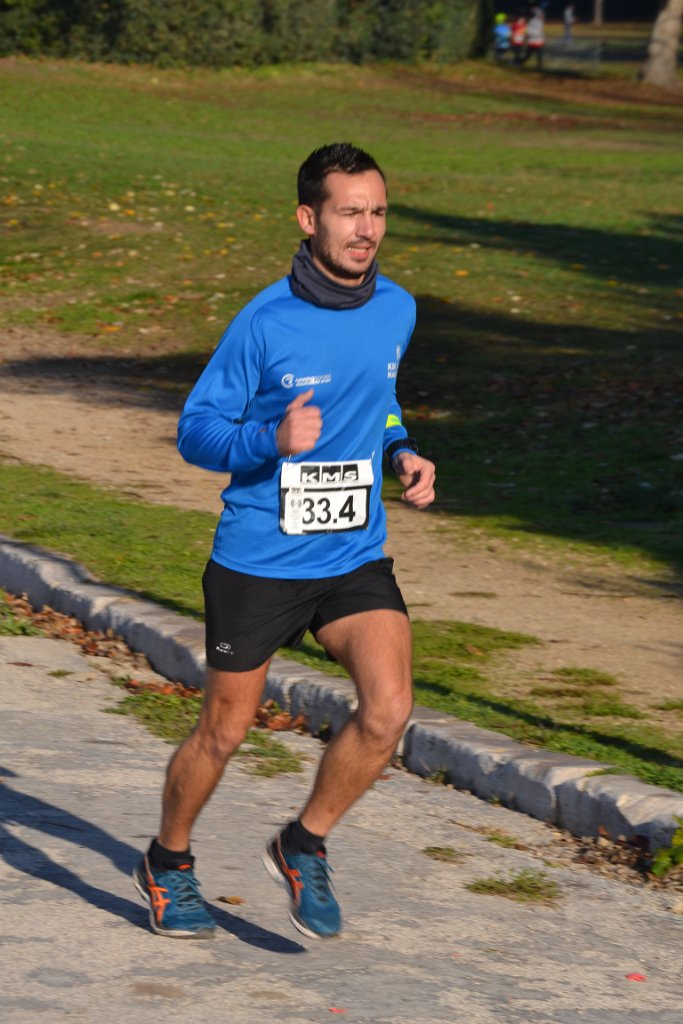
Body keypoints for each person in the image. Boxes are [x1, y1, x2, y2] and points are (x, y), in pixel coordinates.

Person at [133, 142, 437, 941]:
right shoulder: (264, 323)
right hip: (260, 558)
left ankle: (303, 844)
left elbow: (379, 396)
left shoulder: (397, 308)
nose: (366, 229)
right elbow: (196, 431)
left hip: (351, 551)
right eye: (349, 213)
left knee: (388, 710)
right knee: (224, 730)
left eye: (377, 212)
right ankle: (167, 861)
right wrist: (269, 439)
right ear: (308, 219)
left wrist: (401, 451)